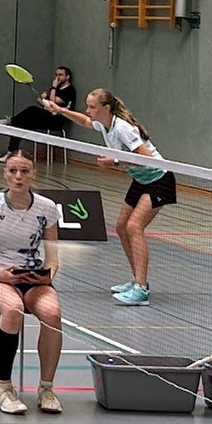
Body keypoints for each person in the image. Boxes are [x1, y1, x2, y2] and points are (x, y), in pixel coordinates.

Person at [46, 89, 173, 306]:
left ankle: (141, 289)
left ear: (106, 108)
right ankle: (137, 280)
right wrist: (60, 110)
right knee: (121, 227)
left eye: (92, 107)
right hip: (141, 180)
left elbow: (147, 159)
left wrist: (114, 162)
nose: (88, 111)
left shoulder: (123, 128)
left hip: (159, 179)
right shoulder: (105, 124)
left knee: (134, 227)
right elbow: (85, 121)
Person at [0, 149, 64, 415]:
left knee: (52, 314)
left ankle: (46, 388)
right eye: (13, 171)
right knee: (13, 309)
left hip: (33, 279)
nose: (18, 176)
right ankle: (2, 388)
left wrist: (48, 275)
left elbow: (52, 256)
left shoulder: (46, 208)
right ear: (5, 174)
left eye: (24, 171)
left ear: (33, 174)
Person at [0, 66, 77, 162]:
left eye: (60, 75)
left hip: (57, 121)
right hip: (46, 117)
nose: (57, 77)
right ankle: (10, 154)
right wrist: (45, 99)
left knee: (32, 109)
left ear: (67, 77)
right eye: (56, 75)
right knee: (19, 124)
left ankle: (11, 120)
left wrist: (53, 87)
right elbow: (39, 99)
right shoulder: (56, 89)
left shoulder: (69, 90)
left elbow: (52, 102)